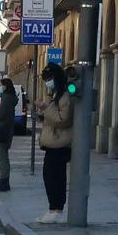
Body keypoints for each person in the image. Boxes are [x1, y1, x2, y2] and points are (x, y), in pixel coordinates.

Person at [35, 63, 73, 224]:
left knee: (55, 178)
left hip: (60, 145)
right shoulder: (56, 95)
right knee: (49, 177)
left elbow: (63, 120)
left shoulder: (65, 96)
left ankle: (57, 210)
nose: (47, 82)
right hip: (53, 144)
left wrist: (46, 108)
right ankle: (53, 209)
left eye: (49, 79)